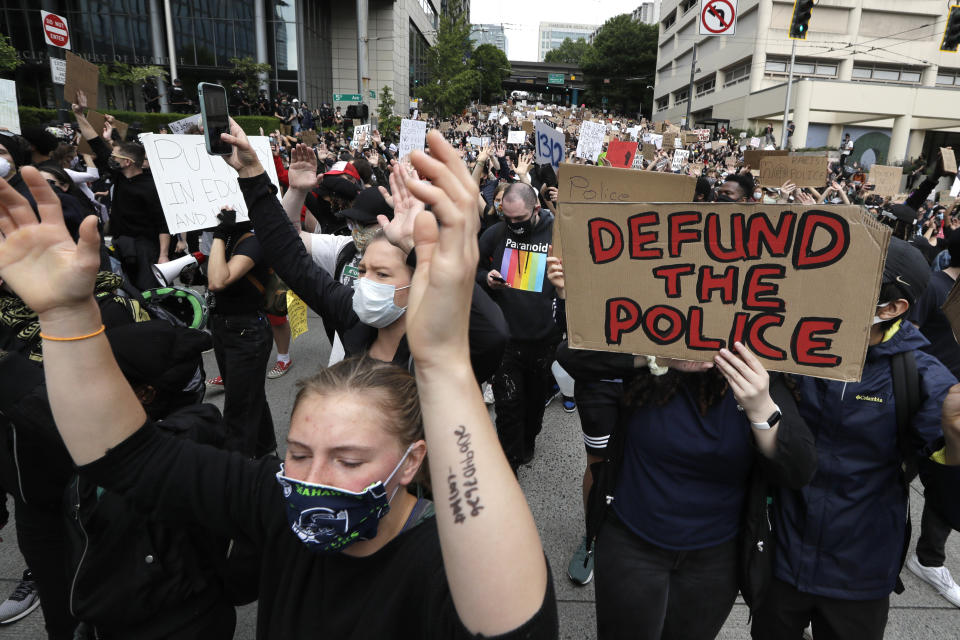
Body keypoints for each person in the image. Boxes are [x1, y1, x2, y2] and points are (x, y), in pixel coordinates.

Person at [0, 132, 559, 639]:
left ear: (411, 462)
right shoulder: (280, 504)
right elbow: (126, 458)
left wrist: (441, 361)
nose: (313, 482)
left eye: (347, 459)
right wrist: (67, 317)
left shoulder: (445, 565)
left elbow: (514, 622)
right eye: (297, 453)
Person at [546, 256, 816, 639]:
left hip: (714, 555)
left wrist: (761, 408)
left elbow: (800, 468)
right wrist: (656, 356)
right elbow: (570, 354)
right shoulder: (653, 359)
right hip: (632, 540)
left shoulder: (758, 377)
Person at [751, 238, 957, 640]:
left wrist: (956, 441)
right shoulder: (787, 343)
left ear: (892, 308)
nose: (830, 284)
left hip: (859, 574)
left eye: (852, 277)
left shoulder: (924, 378)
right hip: (780, 557)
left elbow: (952, 504)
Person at [478, 182, 561, 472]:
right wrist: (485, 277)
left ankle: (527, 443)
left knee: (534, 404)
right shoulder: (497, 233)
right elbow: (471, 265)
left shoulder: (558, 232)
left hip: (543, 341)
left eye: (520, 220)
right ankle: (508, 465)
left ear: (536, 209)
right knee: (508, 406)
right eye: (507, 218)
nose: (513, 225)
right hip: (506, 342)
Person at [204, 208, 277, 458]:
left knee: (238, 409)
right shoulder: (230, 238)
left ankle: (238, 472)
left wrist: (218, 235)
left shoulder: (252, 240)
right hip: (225, 328)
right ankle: (267, 454)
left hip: (246, 332)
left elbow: (218, 281)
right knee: (249, 397)